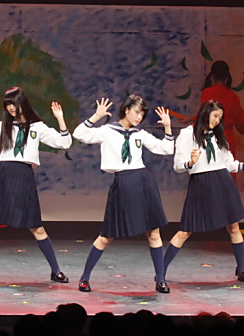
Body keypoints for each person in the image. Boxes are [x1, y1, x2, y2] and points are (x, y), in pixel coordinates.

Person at [0, 87, 72, 283]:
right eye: (7, 104)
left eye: (13, 103)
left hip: (24, 176)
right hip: (3, 175)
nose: (10, 108)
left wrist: (60, 119)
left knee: (37, 228)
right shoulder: (2, 126)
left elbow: (64, 143)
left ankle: (56, 270)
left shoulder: (37, 127)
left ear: (22, 103)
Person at [73, 95, 174, 293]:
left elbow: (166, 149)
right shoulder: (107, 131)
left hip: (143, 181)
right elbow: (79, 134)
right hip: (123, 183)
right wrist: (96, 116)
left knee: (154, 233)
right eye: (136, 112)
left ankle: (160, 280)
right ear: (126, 110)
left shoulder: (140, 134)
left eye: (142, 114)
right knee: (107, 236)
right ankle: (84, 279)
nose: (139, 117)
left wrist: (168, 127)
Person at [165, 100, 244, 282]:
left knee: (234, 227)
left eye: (220, 118)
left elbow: (229, 164)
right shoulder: (187, 134)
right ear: (206, 113)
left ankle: (242, 269)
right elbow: (178, 165)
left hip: (223, 181)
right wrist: (191, 162)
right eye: (215, 116)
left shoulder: (219, 137)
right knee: (185, 231)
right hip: (201, 183)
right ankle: (161, 271)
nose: (217, 120)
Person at [201, 60, 244, 155]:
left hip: (210, 138)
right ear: (226, 78)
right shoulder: (233, 96)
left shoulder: (207, 93)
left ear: (212, 77)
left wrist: (191, 119)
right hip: (228, 139)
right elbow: (242, 126)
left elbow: (205, 116)